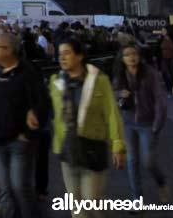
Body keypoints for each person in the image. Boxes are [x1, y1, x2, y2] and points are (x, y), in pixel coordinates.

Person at [50, 37, 125, 215]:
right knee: (76, 207)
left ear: (80, 56)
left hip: (93, 148)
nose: (62, 58)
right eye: (60, 54)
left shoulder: (99, 80)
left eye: (67, 53)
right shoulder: (56, 81)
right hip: (68, 150)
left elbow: (111, 113)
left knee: (93, 202)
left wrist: (118, 145)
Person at [0, 28, 47, 218]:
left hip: (19, 140)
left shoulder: (27, 73)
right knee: (5, 189)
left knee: (20, 186)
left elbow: (41, 101)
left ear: (9, 50)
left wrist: (31, 121)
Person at [111, 44, 168, 203]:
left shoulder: (150, 73)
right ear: (122, 59)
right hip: (128, 123)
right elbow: (112, 93)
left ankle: (161, 182)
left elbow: (159, 99)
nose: (131, 57)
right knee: (132, 160)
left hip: (148, 123)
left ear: (139, 55)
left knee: (149, 162)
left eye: (134, 53)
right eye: (127, 54)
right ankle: (136, 198)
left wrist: (157, 124)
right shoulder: (120, 75)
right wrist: (119, 94)